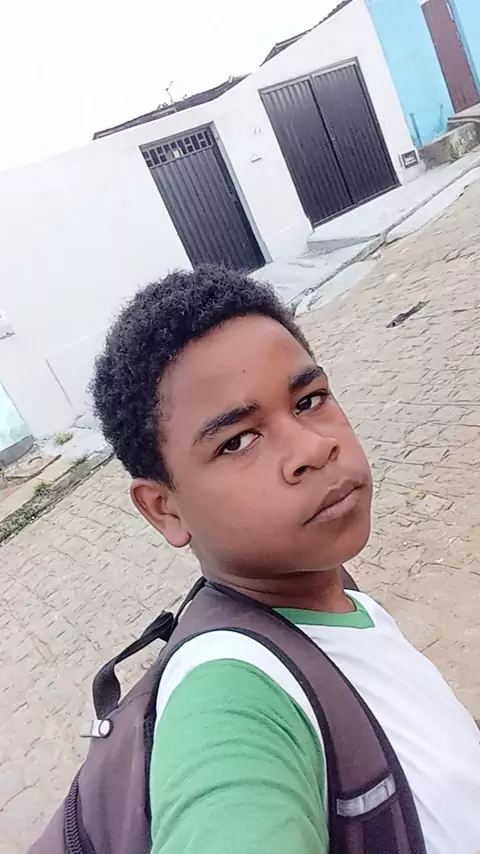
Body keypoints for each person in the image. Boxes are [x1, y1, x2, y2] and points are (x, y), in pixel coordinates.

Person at [92, 264, 480, 854]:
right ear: (164, 509)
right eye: (237, 441)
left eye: (309, 400)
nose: (314, 448)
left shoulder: (330, 590)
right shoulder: (229, 700)